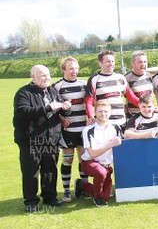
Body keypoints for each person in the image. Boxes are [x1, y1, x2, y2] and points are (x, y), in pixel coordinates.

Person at [14, 65, 71, 212]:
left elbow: (62, 109)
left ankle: (50, 197)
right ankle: (31, 202)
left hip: (51, 139)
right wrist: (48, 108)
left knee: (50, 169)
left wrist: (66, 107)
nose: (46, 78)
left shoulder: (52, 91)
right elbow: (23, 111)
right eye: (42, 76)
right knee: (31, 171)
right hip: (31, 140)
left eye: (48, 75)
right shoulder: (24, 93)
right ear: (33, 78)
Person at [53, 57, 88, 202]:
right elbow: (52, 109)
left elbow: (91, 103)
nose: (74, 71)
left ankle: (84, 188)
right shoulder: (57, 87)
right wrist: (61, 119)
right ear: (64, 70)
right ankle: (66, 191)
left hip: (83, 129)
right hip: (67, 131)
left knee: (83, 159)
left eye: (76, 68)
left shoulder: (84, 85)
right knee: (68, 160)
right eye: (71, 69)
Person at [78, 100, 122, 207]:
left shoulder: (116, 128)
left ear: (110, 112)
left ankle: (82, 185)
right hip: (89, 162)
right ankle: (97, 198)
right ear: (95, 112)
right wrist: (110, 144)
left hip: (106, 166)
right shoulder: (88, 130)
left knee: (106, 196)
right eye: (100, 111)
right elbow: (92, 154)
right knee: (100, 172)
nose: (103, 114)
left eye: (106, 111)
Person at [85, 50, 140, 128]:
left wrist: (147, 105)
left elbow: (132, 97)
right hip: (104, 124)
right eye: (108, 61)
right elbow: (89, 102)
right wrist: (90, 116)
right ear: (100, 63)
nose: (111, 64)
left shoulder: (121, 78)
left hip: (121, 122)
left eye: (112, 61)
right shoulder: (94, 80)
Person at [124, 51, 154, 117]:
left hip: (149, 115)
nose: (143, 64)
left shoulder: (149, 75)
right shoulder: (126, 78)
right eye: (140, 62)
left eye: (145, 62)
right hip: (134, 116)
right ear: (133, 64)